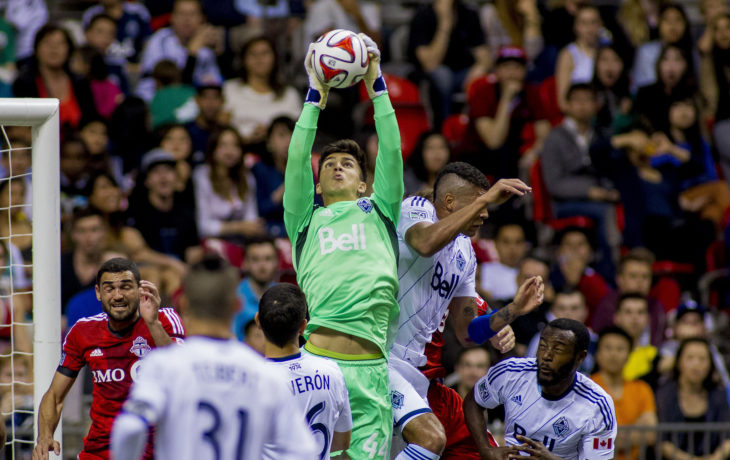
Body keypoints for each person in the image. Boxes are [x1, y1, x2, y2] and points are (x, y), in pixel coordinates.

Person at [284, 34, 401, 458]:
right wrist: (314, 96)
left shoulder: (381, 210)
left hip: (371, 370)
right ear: (317, 185)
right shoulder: (305, 220)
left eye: (347, 164)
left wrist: (376, 84)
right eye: (329, 165)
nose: (336, 168)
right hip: (319, 368)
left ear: (364, 184)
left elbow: (391, 149)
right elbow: (297, 159)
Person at [391, 162, 540, 460]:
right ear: (449, 201)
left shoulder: (465, 251)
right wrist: (488, 197)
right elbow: (424, 243)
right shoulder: (416, 208)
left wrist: (511, 311)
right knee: (430, 440)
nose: (485, 213)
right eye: (479, 203)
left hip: (423, 377)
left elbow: (467, 333)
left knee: (482, 452)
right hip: (383, 361)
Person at [110, 256, 317, 460]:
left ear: (184, 304)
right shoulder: (265, 373)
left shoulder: (162, 366)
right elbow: (304, 451)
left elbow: (129, 428)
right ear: (237, 305)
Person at [33, 258, 185, 460]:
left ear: (139, 290)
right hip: (100, 451)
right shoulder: (83, 332)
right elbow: (54, 396)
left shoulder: (165, 319)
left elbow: (182, 371)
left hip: (157, 450)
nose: (118, 295)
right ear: (98, 293)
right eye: (109, 289)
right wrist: (44, 436)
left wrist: (152, 323)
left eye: (126, 287)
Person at [464, 318, 617, 459]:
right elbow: (473, 401)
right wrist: (485, 449)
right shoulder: (511, 372)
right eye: (542, 346)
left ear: (580, 357)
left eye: (558, 350)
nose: (546, 356)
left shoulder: (597, 405)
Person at [257, 283, 353, 459]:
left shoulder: (251, 381)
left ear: (258, 321)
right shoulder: (332, 372)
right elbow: (342, 442)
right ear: (303, 326)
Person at [541, 83, 621, 281]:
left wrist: (609, 190)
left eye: (588, 100)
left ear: (596, 105)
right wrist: (590, 191)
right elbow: (554, 184)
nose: (583, 105)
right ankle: (609, 269)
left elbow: (609, 171)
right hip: (564, 203)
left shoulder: (601, 135)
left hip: (598, 197)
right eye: (577, 100)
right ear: (567, 104)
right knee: (605, 211)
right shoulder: (555, 137)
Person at [464, 45, 550, 180]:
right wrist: (506, 98)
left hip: (516, 156)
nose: (512, 73)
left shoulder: (532, 92)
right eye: (506, 67)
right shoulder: (482, 92)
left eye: (517, 68)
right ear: (497, 70)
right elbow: (494, 141)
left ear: (525, 71)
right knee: (502, 153)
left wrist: (533, 153)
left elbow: (544, 134)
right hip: (481, 157)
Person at [408, 0, 490, 124]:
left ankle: (470, 126)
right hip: (430, 75)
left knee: (484, 78)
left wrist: (480, 68)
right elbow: (430, 63)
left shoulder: (469, 13)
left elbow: (484, 56)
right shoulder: (423, 15)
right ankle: (444, 126)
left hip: (462, 74)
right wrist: (445, 23)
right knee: (443, 75)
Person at [12, 24, 98, 135]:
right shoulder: (23, 83)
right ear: (36, 49)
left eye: (60, 43)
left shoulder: (81, 83)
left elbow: (91, 121)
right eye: (48, 43)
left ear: (69, 49)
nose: (54, 48)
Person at [656, 338, 730, 459]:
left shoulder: (718, 394)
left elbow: (727, 438)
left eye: (702, 359)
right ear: (678, 362)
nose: (696, 364)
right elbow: (662, 442)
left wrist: (715, 458)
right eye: (690, 358)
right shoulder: (664, 394)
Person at [591, 326, 657, 460]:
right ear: (597, 354)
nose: (613, 354)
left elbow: (651, 435)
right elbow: (586, 438)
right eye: (608, 348)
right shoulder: (587, 388)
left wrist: (608, 438)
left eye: (620, 349)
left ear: (629, 355)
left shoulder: (642, 389)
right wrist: (634, 431)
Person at [136, 0, 223, 101]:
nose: (187, 19)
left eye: (192, 14)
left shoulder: (206, 45)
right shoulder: (160, 40)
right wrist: (192, 53)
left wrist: (220, 55)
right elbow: (172, 88)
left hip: (192, 102)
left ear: (202, 19)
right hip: (155, 99)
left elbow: (214, 84)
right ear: (172, 18)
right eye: (181, 14)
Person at [222, 36, 300, 146]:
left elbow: (299, 134)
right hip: (239, 150)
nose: (259, 59)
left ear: (275, 58)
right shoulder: (230, 89)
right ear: (243, 60)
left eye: (265, 53)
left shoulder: (289, 94)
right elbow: (221, 128)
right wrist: (245, 139)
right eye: (253, 54)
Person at [126, 149, 200, 264]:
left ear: (176, 179)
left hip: (183, 270)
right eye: (156, 172)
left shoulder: (186, 214)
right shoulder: (136, 213)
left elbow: (193, 250)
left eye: (168, 171)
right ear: (147, 181)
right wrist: (173, 264)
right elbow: (138, 253)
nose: (163, 177)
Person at [192, 126, 263, 242]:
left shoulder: (247, 177)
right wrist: (238, 227)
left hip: (241, 240)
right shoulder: (202, 176)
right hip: (211, 241)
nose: (230, 151)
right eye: (223, 145)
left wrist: (253, 227)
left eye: (235, 145)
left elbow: (251, 217)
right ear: (213, 150)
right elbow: (203, 226)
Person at [592, 248, 666, 348]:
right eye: (633, 276)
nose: (640, 282)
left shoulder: (656, 306)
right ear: (619, 279)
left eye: (645, 276)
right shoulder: (607, 306)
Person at [525, 289, 598, 375]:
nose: (568, 314)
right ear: (552, 312)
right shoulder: (540, 340)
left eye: (574, 308)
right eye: (561, 308)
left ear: (585, 311)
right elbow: (530, 374)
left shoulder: (597, 342)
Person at [555, 4, 604, 111]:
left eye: (593, 22)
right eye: (584, 23)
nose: (589, 29)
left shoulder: (606, 52)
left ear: (600, 24)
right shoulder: (568, 54)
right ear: (576, 26)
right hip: (578, 114)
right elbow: (562, 101)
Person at [232, 236, 279, 341]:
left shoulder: (284, 297)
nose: (262, 266)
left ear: (277, 261)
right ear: (244, 263)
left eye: (268, 258)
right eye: (255, 259)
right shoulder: (232, 297)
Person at [61, 208, 108, 311]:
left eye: (94, 230)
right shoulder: (60, 264)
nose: (88, 237)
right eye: (82, 231)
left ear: (104, 232)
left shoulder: (112, 268)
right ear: (73, 235)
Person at [479, 0, 543, 67]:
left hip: (523, 68)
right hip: (501, 67)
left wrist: (531, 17)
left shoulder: (533, 9)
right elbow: (494, 56)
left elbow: (533, 54)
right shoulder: (490, 13)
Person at [612, 294, 659, 385]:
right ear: (617, 317)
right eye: (628, 312)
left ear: (648, 319)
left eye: (640, 312)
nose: (635, 317)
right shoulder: (603, 352)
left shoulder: (654, 355)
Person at [478, 222, 528, 303]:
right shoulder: (481, 271)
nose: (512, 248)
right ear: (495, 244)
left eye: (518, 242)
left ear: (525, 245)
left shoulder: (533, 272)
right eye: (506, 242)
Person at [403, 131, 451, 197]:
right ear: (420, 152)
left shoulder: (455, 182)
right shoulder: (407, 180)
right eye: (431, 148)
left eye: (442, 147)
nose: (437, 153)